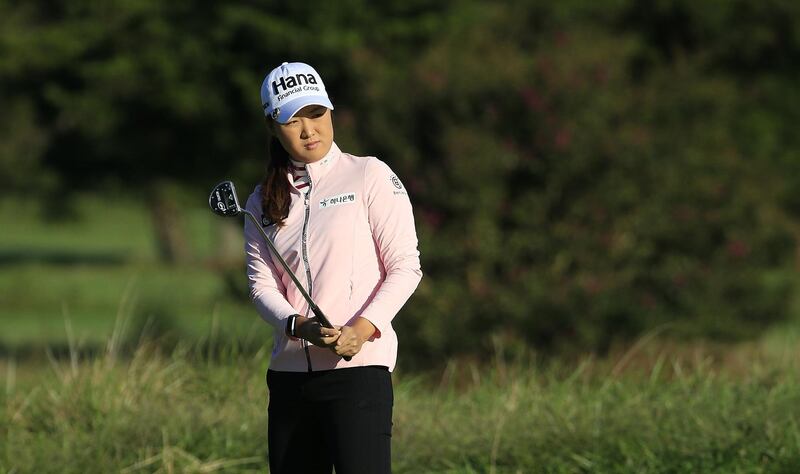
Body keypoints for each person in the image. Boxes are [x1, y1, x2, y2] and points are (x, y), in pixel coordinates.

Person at [244, 61, 423, 474]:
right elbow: (260, 287)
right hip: (289, 379)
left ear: (329, 112)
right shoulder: (260, 203)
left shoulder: (369, 175)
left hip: (357, 372)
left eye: (316, 114)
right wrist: (299, 325)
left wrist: (362, 330)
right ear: (273, 127)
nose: (309, 130)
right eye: (293, 120)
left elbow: (405, 265)